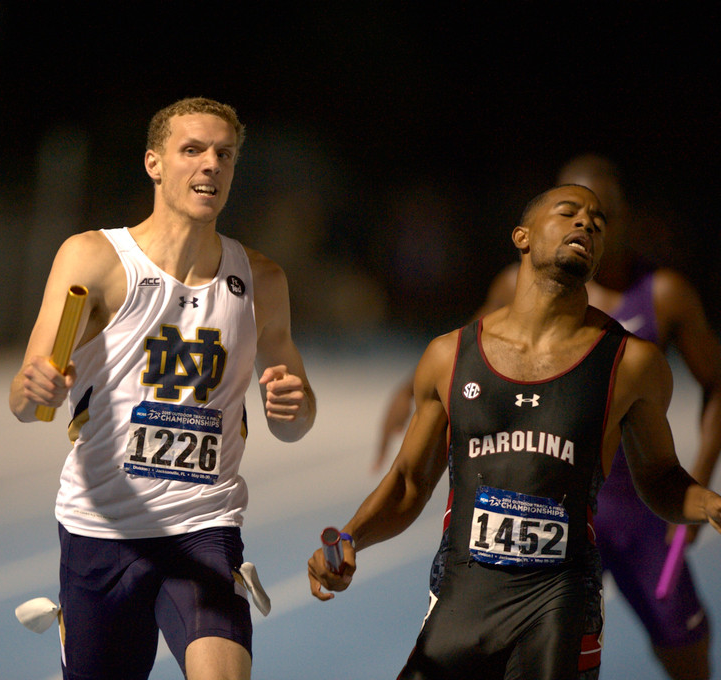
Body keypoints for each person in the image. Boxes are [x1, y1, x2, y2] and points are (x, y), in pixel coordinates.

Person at [309, 183, 721, 680]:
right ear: (522, 237)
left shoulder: (633, 362)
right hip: (463, 599)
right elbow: (408, 483)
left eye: (597, 222)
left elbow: (659, 478)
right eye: (568, 212)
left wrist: (708, 504)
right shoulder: (449, 355)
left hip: (559, 609)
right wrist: (352, 537)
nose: (586, 223)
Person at [10, 97, 315, 680]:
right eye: (192, 150)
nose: (211, 165)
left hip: (203, 527)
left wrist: (293, 405)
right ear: (153, 163)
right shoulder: (93, 258)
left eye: (224, 154)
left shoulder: (262, 280)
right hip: (102, 531)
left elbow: (293, 422)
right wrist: (35, 388)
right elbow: (27, 403)